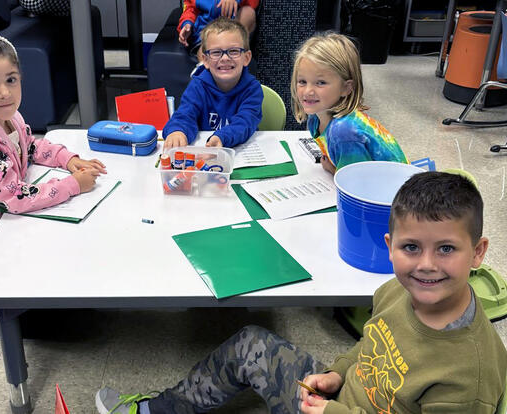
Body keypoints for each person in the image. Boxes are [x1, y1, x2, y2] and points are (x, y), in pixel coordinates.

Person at [95, 171, 507, 414]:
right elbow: (368, 347)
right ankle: (153, 410)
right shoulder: (395, 291)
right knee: (250, 343)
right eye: (411, 247)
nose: (426, 266)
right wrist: (336, 374)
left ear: (478, 253)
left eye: (447, 249)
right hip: (337, 402)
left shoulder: (469, 374)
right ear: (390, 246)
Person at [0, 32, 107, 352]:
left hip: (11, 227)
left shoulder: (7, 115)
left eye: (11, 80)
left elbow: (30, 145)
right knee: (69, 324)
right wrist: (73, 185)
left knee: (77, 295)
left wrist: (68, 159)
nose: (4, 92)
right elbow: (14, 197)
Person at [291, 32, 408, 175]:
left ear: (346, 88)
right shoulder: (315, 119)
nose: (308, 91)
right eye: (302, 81)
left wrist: (334, 171)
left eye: (320, 83)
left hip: (394, 192)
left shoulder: (344, 131)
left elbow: (356, 183)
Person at [163, 17, 263, 149]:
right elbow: (185, 115)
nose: (225, 58)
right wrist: (178, 131)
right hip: (204, 152)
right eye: (216, 52)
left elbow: (244, 122)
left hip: (242, 153)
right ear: (205, 60)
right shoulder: (197, 86)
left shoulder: (253, 89)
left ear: (246, 58)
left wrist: (222, 137)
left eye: (233, 51)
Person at [178, 0, 259, 54]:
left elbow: (252, 3)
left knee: (248, 12)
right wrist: (187, 24)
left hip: (234, 27)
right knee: (204, 49)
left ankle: (236, 52)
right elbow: (190, 9)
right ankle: (204, 70)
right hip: (206, 30)